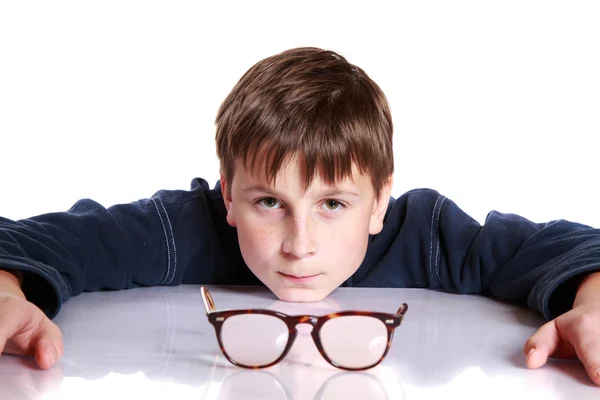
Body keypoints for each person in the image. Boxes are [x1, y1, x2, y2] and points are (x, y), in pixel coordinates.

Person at [1, 47, 600, 384]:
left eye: (333, 205)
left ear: (380, 201)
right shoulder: (180, 228)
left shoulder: (430, 235)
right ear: (229, 195)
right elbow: (47, 241)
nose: (299, 244)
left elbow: (561, 247)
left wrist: (592, 301)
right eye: (269, 203)